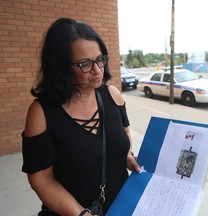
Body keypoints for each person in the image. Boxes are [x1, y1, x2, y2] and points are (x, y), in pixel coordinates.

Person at [21, 17, 141, 216]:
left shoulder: (112, 95)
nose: (97, 70)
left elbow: (123, 133)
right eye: (85, 64)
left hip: (123, 206)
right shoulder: (41, 112)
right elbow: (41, 180)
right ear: (60, 66)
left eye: (100, 59)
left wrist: (125, 156)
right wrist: (80, 214)